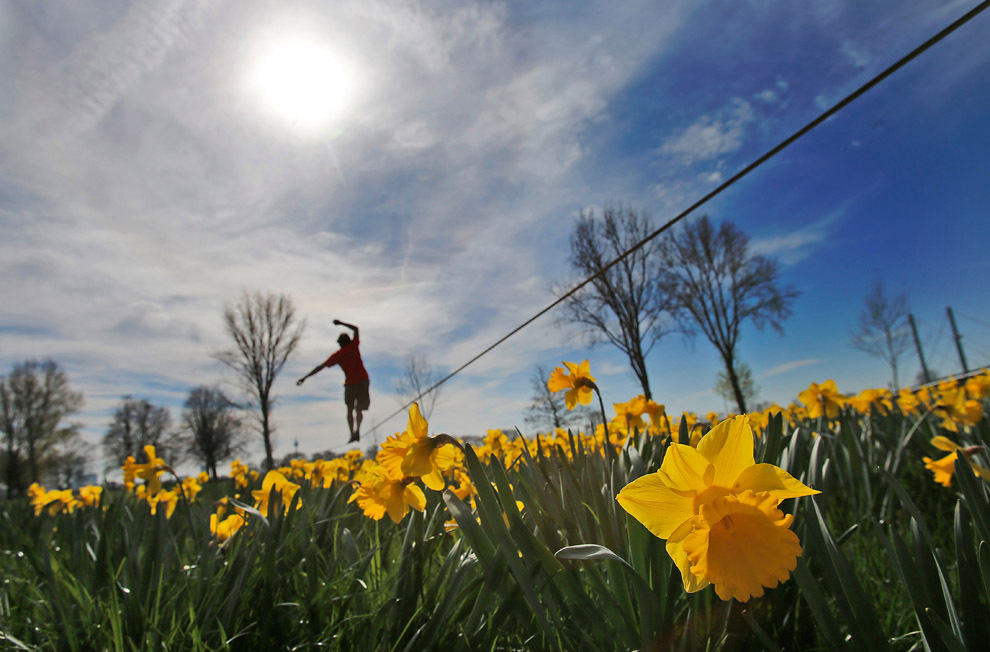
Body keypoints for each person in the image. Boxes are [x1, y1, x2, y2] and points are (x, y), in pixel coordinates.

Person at [297, 319, 370, 443]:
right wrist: (341, 323)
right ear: (348, 341)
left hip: (351, 384)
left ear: (340, 344)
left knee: (350, 410)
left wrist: (305, 377)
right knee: (359, 409)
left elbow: (320, 367)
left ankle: (353, 433)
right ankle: (357, 431)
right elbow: (356, 329)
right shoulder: (353, 346)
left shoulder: (339, 354)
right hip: (362, 380)